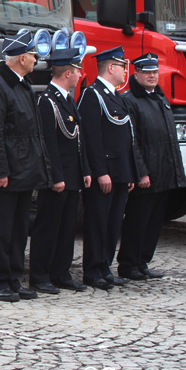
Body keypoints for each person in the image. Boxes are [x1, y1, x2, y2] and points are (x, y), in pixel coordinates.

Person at [0, 29, 52, 303]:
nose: (36, 59)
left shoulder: (23, 85)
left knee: (19, 230)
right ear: (21, 58)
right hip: (7, 173)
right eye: (33, 55)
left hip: (24, 170)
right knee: (2, 230)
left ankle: (14, 279)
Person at [117, 53, 186, 280]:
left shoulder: (160, 98)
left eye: (154, 72)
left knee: (154, 222)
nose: (152, 76)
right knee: (137, 220)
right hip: (146, 173)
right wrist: (141, 172)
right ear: (136, 74)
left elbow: (168, 138)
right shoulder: (130, 101)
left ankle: (142, 262)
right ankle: (128, 264)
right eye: (147, 72)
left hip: (163, 171)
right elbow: (132, 141)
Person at [29, 48, 91, 294]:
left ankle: (61, 272)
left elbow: (78, 138)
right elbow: (48, 143)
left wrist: (84, 169)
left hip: (72, 175)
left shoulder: (67, 99)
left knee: (67, 228)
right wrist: (55, 176)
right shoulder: (48, 101)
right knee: (48, 227)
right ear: (67, 73)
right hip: (57, 177)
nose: (80, 75)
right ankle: (40, 275)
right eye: (77, 71)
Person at [78, 46, 138, 290]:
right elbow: (91, 138)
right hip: (105, 173)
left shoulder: (116, 95)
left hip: (121, 172)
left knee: (113, 224)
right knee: (98, 222)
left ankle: (105, 267)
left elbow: (126, 137)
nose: (126, 71)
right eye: (123, 66)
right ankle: (93, 270)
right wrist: (100, 171)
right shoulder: (93, 95)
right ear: (111, 67)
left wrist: (130, 172)